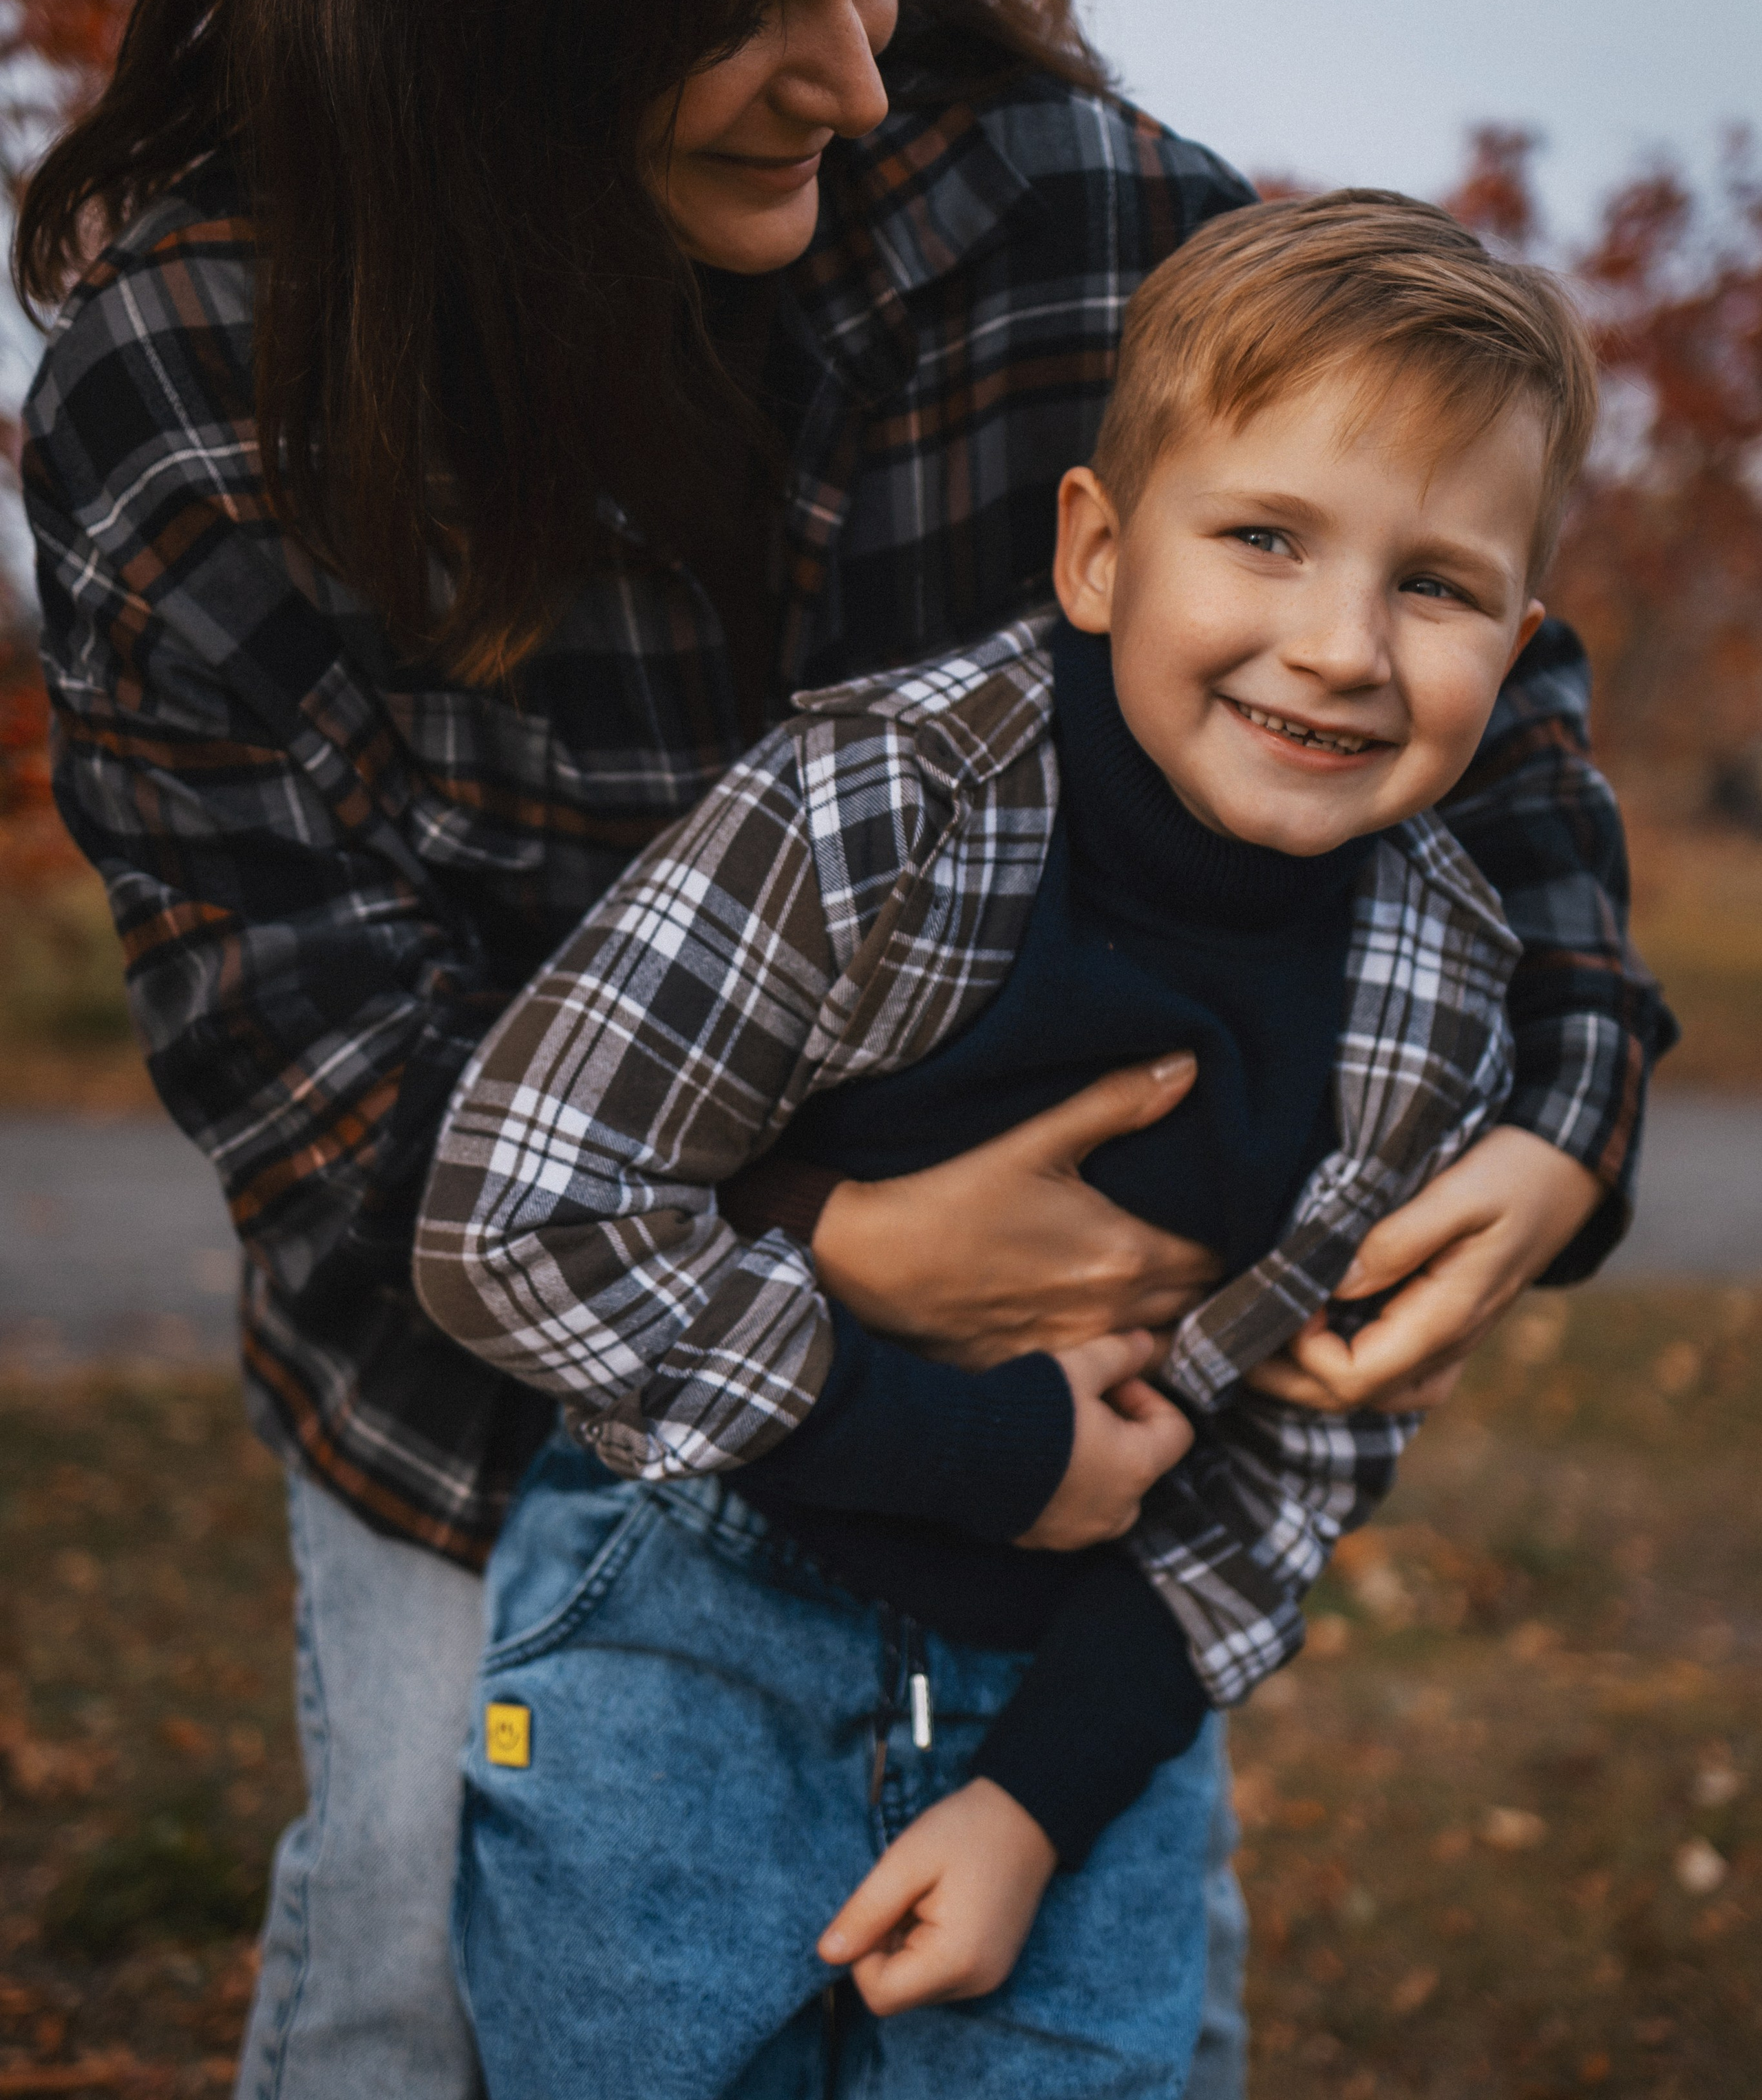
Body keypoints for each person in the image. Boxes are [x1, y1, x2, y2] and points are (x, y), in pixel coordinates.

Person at [12, 0, 1664, 2095]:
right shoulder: (187, 401)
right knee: (420, 1992)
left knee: (1059, 2003)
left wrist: (1574, 1084)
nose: (858, 63)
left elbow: (1461, 647)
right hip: (508, 1386)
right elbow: (321, 1089)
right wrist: (839, 1262)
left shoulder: (1054, 214)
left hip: (1084, 1466)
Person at [414, 190, 1604, 2094]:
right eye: (1268, 540)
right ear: (1100, 552)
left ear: (1516, 636)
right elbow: (514, 1222)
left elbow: (1304, 1451)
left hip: (1076, 1694)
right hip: (690, 1595)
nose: (1343, 646)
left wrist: (1038, 1803)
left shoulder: (1438, 995)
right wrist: (987, 1447)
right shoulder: (873, 807)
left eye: (1437, 586)